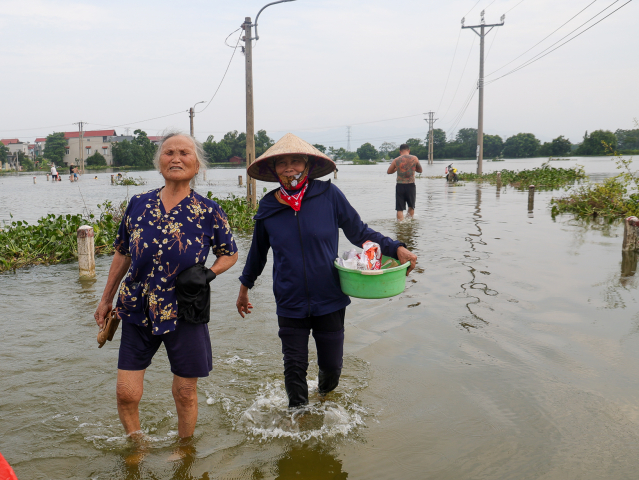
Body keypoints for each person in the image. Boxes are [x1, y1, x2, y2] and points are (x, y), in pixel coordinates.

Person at [237, 133, 418, 408]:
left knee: (332, 368)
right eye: (282, 163)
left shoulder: (328, 194)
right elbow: (258, 253)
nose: (290, 168)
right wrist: (243, 289)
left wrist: (396, 248)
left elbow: (360, 232)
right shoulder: (269, 206)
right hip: (289, 300)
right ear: (274, 170)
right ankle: (298, 418)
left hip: (329, 298)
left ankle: (322, 398)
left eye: (296, 161)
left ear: (307, 165)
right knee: (294, 367)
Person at [94, 132, 238, 443]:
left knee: (185, 392)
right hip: (136, 306)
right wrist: (105, 299)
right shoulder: (138, 204)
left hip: (185, 308)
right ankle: (137, 445)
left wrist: (209, 274)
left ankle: (184, 450)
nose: (176, 158)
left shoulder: (208, 210)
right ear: (159, 163)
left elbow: (230, 253)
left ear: (197, 165)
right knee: (126, 393)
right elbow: (122, 251)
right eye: (168, 152)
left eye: (184, 153)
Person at [387, 143, 423, 221]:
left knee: (399, 209)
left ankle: (400, 225)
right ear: (409, 150)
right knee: (411, 206)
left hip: (400, 185)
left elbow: (389, 171)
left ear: (400, 152)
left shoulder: (396, 160)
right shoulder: (415, 158)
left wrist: (396, 169)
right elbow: (420, 170)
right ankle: (409, 223)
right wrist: (412, 168)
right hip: (410, 185)